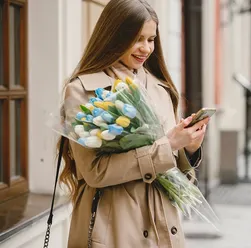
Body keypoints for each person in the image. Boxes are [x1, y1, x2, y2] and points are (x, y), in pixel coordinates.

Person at [58, 0, 209, 247]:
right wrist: (167, 145)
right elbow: (94, 172)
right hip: (115, 229)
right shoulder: (83, 91)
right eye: (138, 39)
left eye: (151, 39)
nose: (146, 48)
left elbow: (173, 172)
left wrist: (189, 149)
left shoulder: (161, 89)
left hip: (163, 228)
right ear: (113, 36)